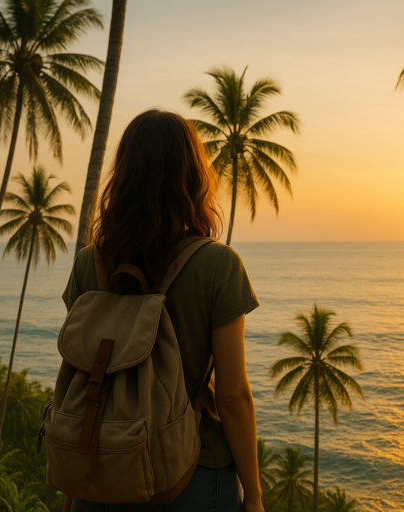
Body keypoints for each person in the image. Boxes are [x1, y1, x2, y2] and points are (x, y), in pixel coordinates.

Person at [61, 109, 263, 512]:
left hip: (103, 468)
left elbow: (83, 378)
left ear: (124, 176)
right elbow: (233, 397)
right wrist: (254, 497)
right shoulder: (218, 265)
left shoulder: (90, 263)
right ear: (193, 176)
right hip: (196, 472)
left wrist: (74, 491)